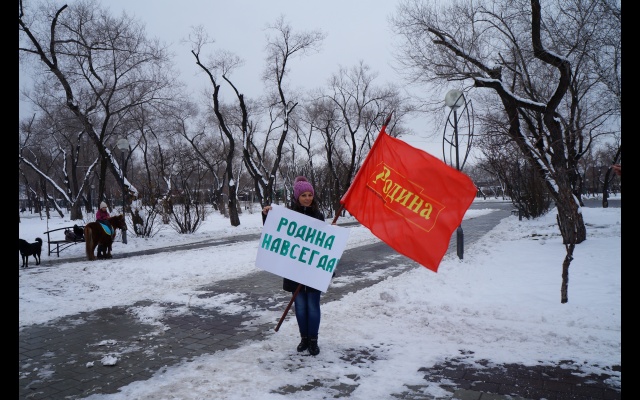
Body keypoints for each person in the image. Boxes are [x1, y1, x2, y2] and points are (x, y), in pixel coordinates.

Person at [262, 176, 325, 356]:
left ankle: (313, 340)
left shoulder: (318, 215)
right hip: (293, 270)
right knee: (300, 307)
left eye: (310, 195)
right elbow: (274, 231)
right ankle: (303, 338)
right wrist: (267, 215)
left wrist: (334, 232)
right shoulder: (288, 215)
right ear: (297, 197)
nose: (307, 198)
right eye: (303, 195)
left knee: (313, 306)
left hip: (313, 270)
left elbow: (324, 243)